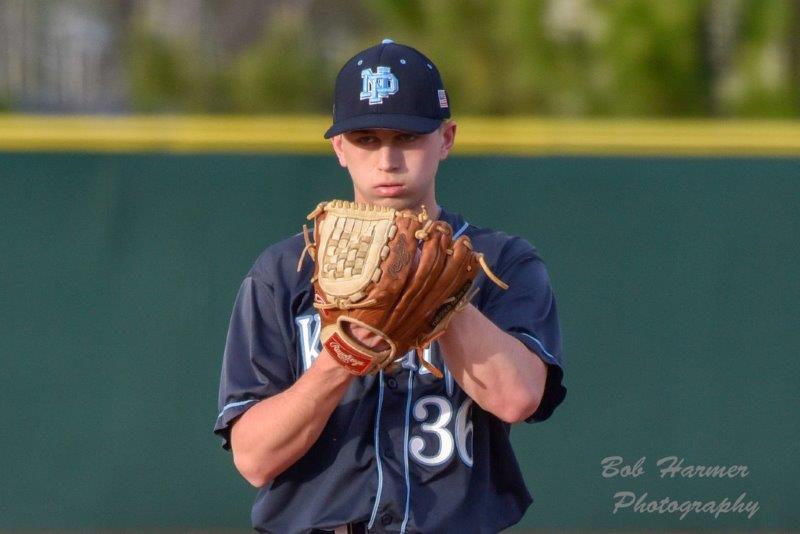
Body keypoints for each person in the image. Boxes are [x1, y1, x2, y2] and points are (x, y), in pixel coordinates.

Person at [214, 39, 566, 534]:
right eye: (366, 140)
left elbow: (517, 399)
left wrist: (440, 291)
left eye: (406, 137)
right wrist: (341, 360)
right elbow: (254, 459)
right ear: (339, 148)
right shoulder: (286, 270)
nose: (387, 160)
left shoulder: (499, 263)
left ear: (446, 138)